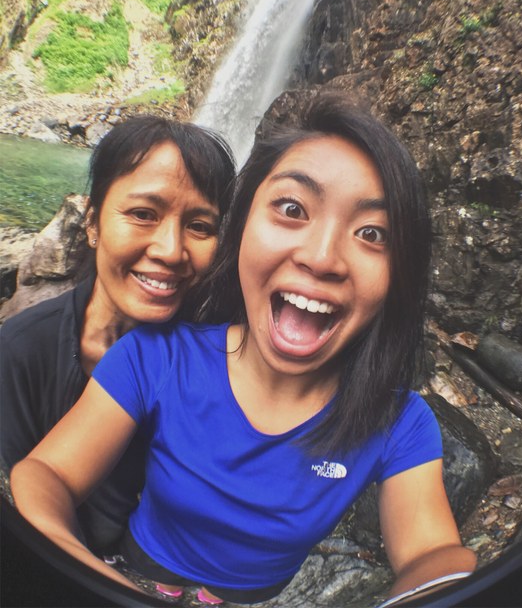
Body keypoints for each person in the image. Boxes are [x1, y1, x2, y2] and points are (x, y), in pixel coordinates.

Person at [11, 95, 476, 605]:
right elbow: (47, 474)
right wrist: (96, 579)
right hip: (138, 570)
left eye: (372, 233)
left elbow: (431, 554)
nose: (322, 258)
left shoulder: (400, 423)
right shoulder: (154, 356)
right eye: (292, 209)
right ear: (241, 226)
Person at [1, 115, 235, 558]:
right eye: (143, 214)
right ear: (92, 223)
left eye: (200, 226)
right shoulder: (21, 351)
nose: (171, 250)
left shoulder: (223, 358)